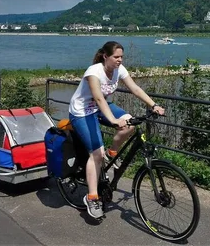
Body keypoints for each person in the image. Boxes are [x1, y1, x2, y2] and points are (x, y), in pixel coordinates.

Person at [68, 41, 165, 219]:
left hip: (100, 108)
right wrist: (113, 120)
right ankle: (92, 197)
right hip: (82, 111)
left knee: (130, 123)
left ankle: (112, 153)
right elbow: (98, 98)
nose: (120, 60)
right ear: (106, 56)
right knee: (96, 154)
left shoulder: (119, 70)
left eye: (121, 57)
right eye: (116, 57)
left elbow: (134, 88)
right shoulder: (94, 72)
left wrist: (153, 104)